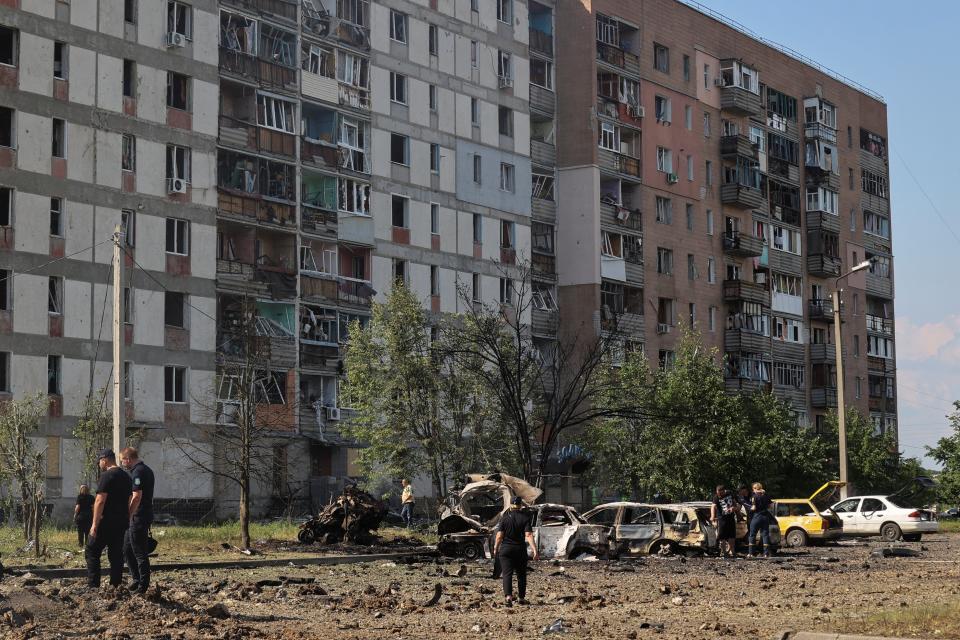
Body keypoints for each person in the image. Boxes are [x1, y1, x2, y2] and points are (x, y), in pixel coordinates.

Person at [85, 449, 132, 589]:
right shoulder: (126, 477)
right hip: (121, 522)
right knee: (116, 554)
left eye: (99, 461)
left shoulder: (107, 476)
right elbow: (130, 499)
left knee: (92, 551)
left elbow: (100, 501)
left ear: (104, 460)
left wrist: (94, 524)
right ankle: (115, 586)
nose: (99, 464)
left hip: (105, 522)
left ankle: (93, 585)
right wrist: (126, 516)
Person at [492, 496, 539, 606]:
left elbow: (499, 536)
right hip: (520, 550)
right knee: (521, 575)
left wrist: (496, 548)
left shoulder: (504, 519)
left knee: (507, 574)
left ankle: (508, 597)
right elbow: (528, 535)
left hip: (506, 550)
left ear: (510, 506)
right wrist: (534, 550)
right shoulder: (525, 518)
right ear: (520, 506)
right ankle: (521, 598)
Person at [121, 447, 155, 594]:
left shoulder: (138, 472)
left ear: (128, 459)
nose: (123, 464)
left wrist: (128, 514)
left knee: (140, 552)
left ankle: (143, 585)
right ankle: (136, 579)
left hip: (138, 516)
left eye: (123, 460)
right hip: (141, 515)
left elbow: (136, 496)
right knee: (127, 549)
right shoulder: (147, 470)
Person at [747, 482, 774, 558]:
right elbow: (771, 506)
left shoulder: (754, 497)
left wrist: (749, 508)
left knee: (752, 535)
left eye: (753, 489)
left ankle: (751, 553)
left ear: (755, 488)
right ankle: (766, 553)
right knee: (765, 535)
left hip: (757, 516)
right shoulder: (766, 496)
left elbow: (754, 508)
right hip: (765, 517)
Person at [710, 485, 737, 558]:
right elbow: (713, 506)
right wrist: (712, 516)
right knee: (722, 537)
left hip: (731, 518)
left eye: (721, 493)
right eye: (718, 493)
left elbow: (735, 503)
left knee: (732, 536)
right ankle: (724, 552)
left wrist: (733, 508)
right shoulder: (716, 497)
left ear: (724, 491)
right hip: (721, 519)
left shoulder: (730, 493)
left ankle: (732, 551)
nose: (719, 495)